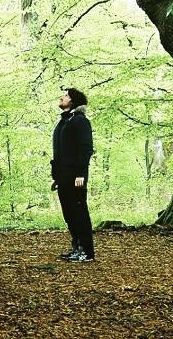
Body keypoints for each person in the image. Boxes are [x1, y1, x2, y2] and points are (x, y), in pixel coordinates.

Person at [51, 86, 95, 262]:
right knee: (69, 214)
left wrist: (81, 174)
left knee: (79, 213)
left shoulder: (80, 121)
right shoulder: (64, 121)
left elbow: (85, 150)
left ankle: (87, 251)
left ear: (73, 101)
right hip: (64, 177)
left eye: (66, 95)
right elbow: (61, 152)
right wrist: (57, 178)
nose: (62, 97)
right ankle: (76, 248)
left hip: (76, 177)